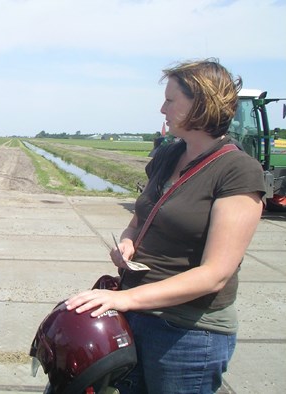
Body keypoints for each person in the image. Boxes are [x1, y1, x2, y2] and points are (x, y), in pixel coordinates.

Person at [65, 59, 266, 393]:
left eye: (171, 100)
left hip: (187, 333)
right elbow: (140, 219)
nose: (162, 108)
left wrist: (124, 301)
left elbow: (215, 273)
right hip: (137, 315)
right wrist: (128, 243)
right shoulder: (168, 156)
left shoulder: (237, 171)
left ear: (201, 103)